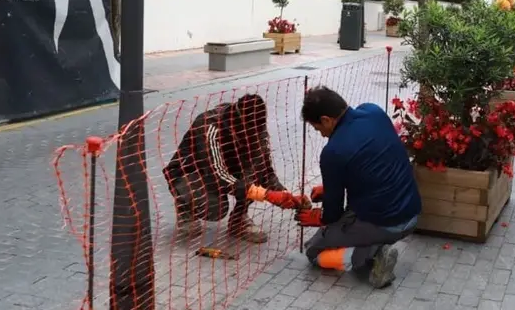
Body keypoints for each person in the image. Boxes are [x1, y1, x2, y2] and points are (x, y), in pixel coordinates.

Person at [296, 86, 422, 288]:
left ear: (327, 120)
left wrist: (318, 218)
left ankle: (371, 255)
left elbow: (332, 214)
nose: (321, 135)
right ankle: (372, 245)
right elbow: (370, 164)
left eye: (318, 129)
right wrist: (330, 188)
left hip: (386, 222)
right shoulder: (374, 112)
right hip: (412, 213)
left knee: (314, 251)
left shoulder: (333, 152)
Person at [163, 94, 308, 243]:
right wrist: (265, 194)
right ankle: (185, 207)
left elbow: (266, 171)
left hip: (226, 170)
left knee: (255, 169)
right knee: (215, 208)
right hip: (193, 172)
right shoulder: (209, 125)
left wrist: (285, 196)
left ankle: (239, 220)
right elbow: (217, 175)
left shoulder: (258, 129)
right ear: (236, 126)